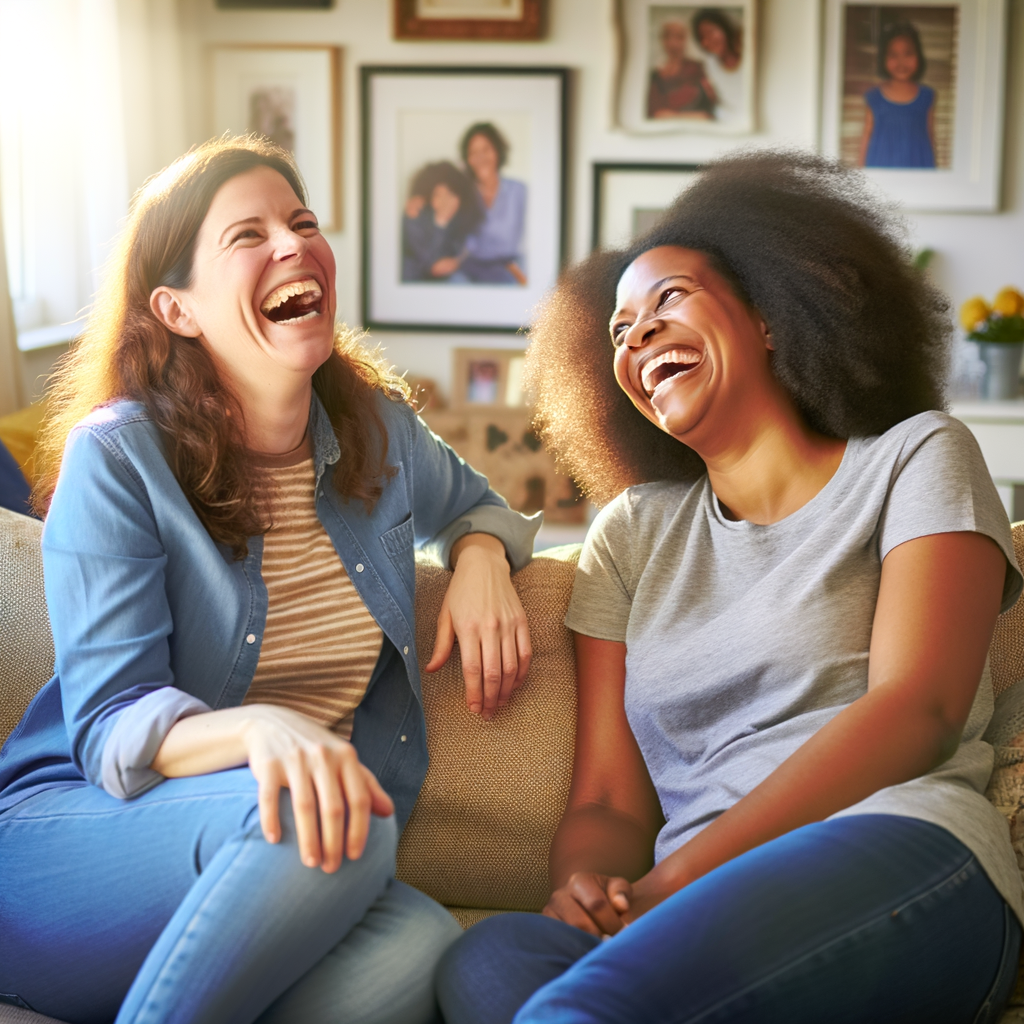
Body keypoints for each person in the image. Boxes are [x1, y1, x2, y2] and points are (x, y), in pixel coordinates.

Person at [436, 151, 1024, 1024]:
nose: (636, 337)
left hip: (902, 849)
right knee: (491, 958)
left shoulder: (917, 456)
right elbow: (605, 800)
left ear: (772, 316)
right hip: (688, 905)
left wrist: (673, 883)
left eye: (668, 299)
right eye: (619, 332)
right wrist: (588, 891)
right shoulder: (633, 534)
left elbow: (919, 709)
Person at [0, 136, 540, 1024]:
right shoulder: (120, 457)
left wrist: (481, 554)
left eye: (302, 223)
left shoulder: (382, 434)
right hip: (71, 848)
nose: (293, 245)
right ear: (176, 308)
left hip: (276, 851)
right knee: (332, 812)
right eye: (247, 235)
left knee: (420, 952)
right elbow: (108, 728)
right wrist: (264, 733)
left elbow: (482, 506)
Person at [455, 123, 527, 286]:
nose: (480, 157)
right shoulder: (462, 194)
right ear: (467, 159)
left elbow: (531, 240)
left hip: (510, 270)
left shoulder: (520, 191)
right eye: (473, 152)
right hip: (470, 271)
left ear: (498, 151)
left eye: (486, 149)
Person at [859, 21, 937, 168]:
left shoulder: (927, 96)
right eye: (893, 54)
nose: (901, 61)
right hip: (881, 168)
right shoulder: (874, 97)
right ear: (883, 58)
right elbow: (866, 136)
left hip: (917, 169)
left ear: (918, 55)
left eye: (908, 53)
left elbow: (930, 136)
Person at [401, 161, 483, 283]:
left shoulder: (460, 220)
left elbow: (465, 250)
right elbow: (430, 263)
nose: (445, 201)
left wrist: (458, 261)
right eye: (438, 195)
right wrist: (441, 222)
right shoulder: (414, 218)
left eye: (451, 194)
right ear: (427, 198)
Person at [646, 19, 716, 121]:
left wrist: (673, 116)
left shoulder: (698, 68)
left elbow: (708, 113)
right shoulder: (655, 76)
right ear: (662, 40)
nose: (673, 43)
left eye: (679, 37)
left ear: (686, 40)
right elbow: (655, 114)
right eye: (668, 37)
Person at [691, 8, 744, 127]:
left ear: (724, 28)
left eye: (711, 31)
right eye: (702, 37)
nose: (707, 40)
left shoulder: (748, 55)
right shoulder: (709, 65)